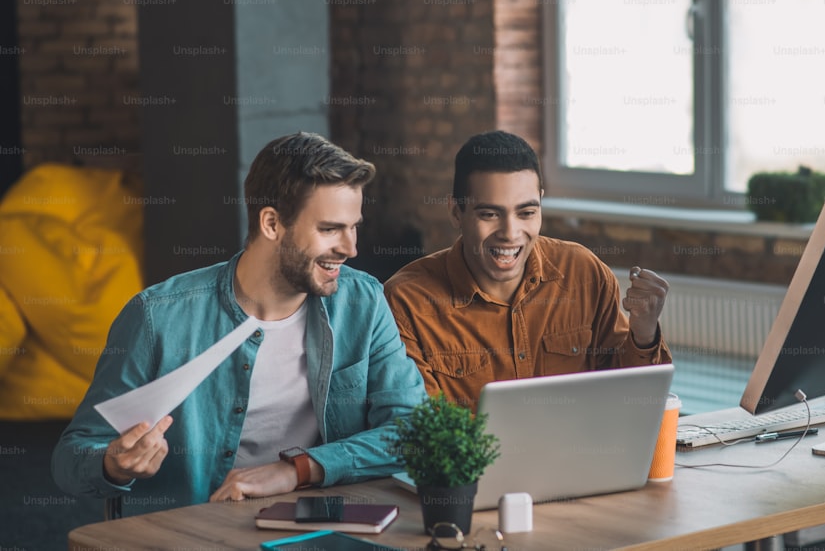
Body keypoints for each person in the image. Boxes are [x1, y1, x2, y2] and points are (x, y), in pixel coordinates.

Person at [51, 132, 426, 516]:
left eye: (354, 226)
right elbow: (71, 458)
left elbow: (414, 434)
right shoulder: (155, 317)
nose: (351, 248)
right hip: (191, 533)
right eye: (330, 229)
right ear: (271, 223)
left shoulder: (363, 301)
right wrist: (112, 464)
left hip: (319, 524)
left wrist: (298, 470)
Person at [384, 130, 672, 408]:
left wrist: (644, 333)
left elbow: (633, 398)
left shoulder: (584, 273)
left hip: (583, 454)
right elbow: (424, 431)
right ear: (456, 212)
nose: (510, 233)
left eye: (526, 213)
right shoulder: (407, 301)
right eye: (489, 214)